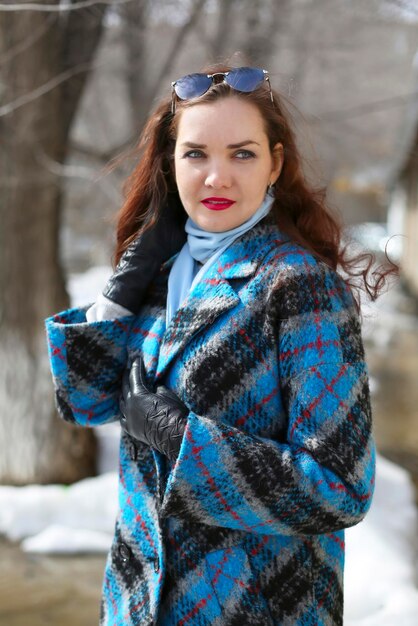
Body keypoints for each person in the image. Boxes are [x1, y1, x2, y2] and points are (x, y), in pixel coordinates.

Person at [45, 64, 394, 626]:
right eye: (196, 154)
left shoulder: (299, 285)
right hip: (141, 604)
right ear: (170, 161)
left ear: (275, 163)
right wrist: (121, 289)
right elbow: (83, 402)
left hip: (256, 607)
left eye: (242, 153)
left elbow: (341, 487)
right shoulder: (158, 271)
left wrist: (179, 438)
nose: (216, 177)